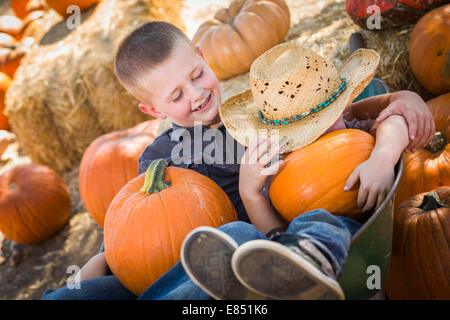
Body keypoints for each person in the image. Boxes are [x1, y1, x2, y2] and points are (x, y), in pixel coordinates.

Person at [42, 21, 434, 300]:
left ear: (201, 55)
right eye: (175, 96)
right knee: (101, 290)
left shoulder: (268, 114)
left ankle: (305, 264)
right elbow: (142, 235)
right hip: (195, 261)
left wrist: (402, 100)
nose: (195, 94)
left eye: (197, 74)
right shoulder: (161, 159)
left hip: (265, 241)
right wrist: (95, 269)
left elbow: (346, 120)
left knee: (245, 239)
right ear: (149, 109)